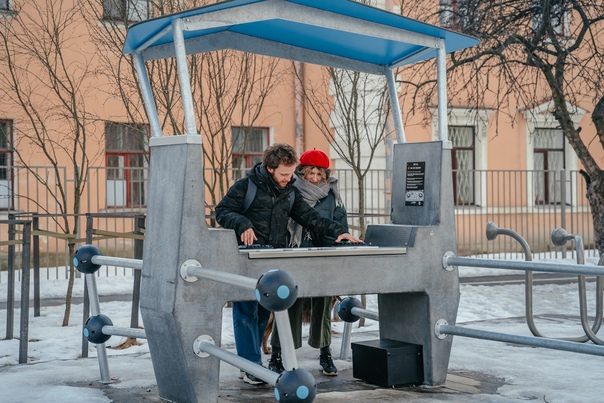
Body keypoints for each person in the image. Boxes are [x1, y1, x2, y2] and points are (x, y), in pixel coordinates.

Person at [215, 143, 360, 385]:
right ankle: (251, 366)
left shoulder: (290, 191)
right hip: (245, 258)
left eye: (291, 173)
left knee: (263, 311)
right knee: (245, 312)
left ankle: (248, 364)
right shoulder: (246, 186)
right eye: (284, 174)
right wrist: (242, 223)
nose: (288, 178)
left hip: (271, 260)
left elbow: (311, 218)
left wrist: (339, 232)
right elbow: (222, 211)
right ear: (270, 168)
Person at [268, 148, 346, 377]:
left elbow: (340, 222)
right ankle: (278, 353)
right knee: (289, 302)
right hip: (295, 252)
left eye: (318, 174)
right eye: (309, 173)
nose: (313, 178)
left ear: (325, 174)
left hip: (324, 254)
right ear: (301, 172)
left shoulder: (333, 195)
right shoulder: (291, 191)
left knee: (323, 304)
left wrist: (341, 241)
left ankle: (325, 351)